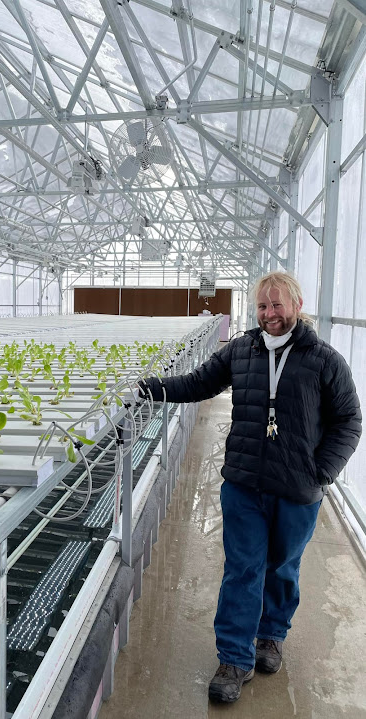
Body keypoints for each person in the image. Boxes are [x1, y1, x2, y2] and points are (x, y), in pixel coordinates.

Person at [139, 271, 362, 704]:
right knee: (242, 570)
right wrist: (153, 388)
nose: (270, 314)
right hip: (243, 484)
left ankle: (271, 636)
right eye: (262, 306)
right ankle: (234, 659)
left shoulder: (324, 359)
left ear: (296, 305)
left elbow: (349, 421)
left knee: (282, 568)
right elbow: (200, 382)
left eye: (277, 305)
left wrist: (322, 472)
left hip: (297, 490)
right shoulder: (241, 349)